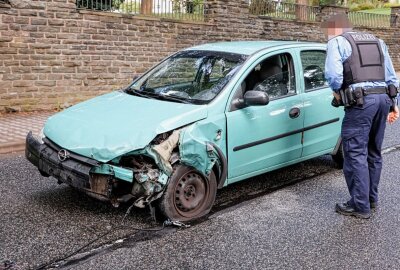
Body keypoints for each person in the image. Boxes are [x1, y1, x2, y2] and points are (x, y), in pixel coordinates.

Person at [322, 14, 399, 219]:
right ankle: (371, 199)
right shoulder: (378, 41)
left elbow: (334, 76)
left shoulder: (337, 42)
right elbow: (391, 77)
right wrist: (394, 105)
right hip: (382, 99)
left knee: (355, 153)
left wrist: (337, 91)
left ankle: (359, 205)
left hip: (360, 103)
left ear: (333, 29)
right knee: (373, 152)